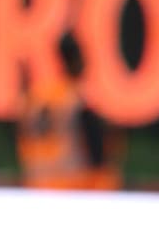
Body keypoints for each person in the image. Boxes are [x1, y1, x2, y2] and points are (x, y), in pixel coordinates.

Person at [17, 34, 122, 191]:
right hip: (75, 189)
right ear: (76, 60)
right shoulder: (77, 101)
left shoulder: (36, 98)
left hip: (36, 188)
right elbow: (97, 154)